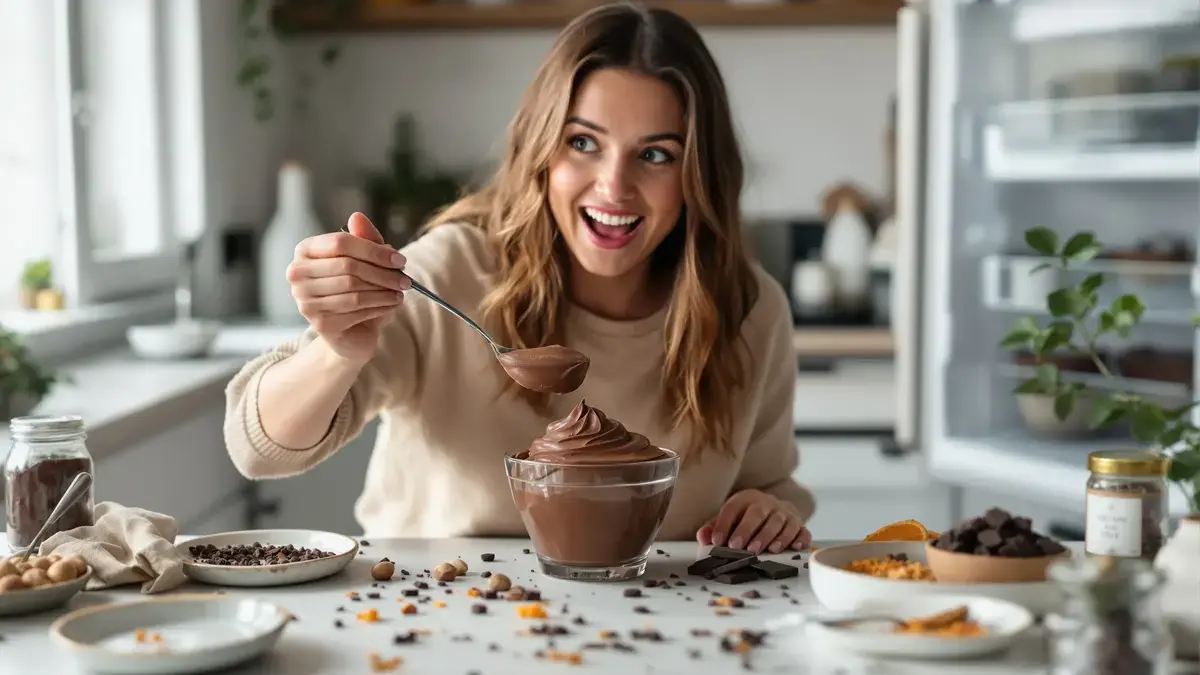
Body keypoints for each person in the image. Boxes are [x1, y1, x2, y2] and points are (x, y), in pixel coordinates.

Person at [223, 2, 815, 555]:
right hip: (430, 625)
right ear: (542, 150)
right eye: (583, 143)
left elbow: (771, 484)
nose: (613, 187)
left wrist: (767, 510)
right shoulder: (452, 272)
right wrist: (335, 351)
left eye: (656, 154)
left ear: (699, 174)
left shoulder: (748, 308)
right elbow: (256, 448)